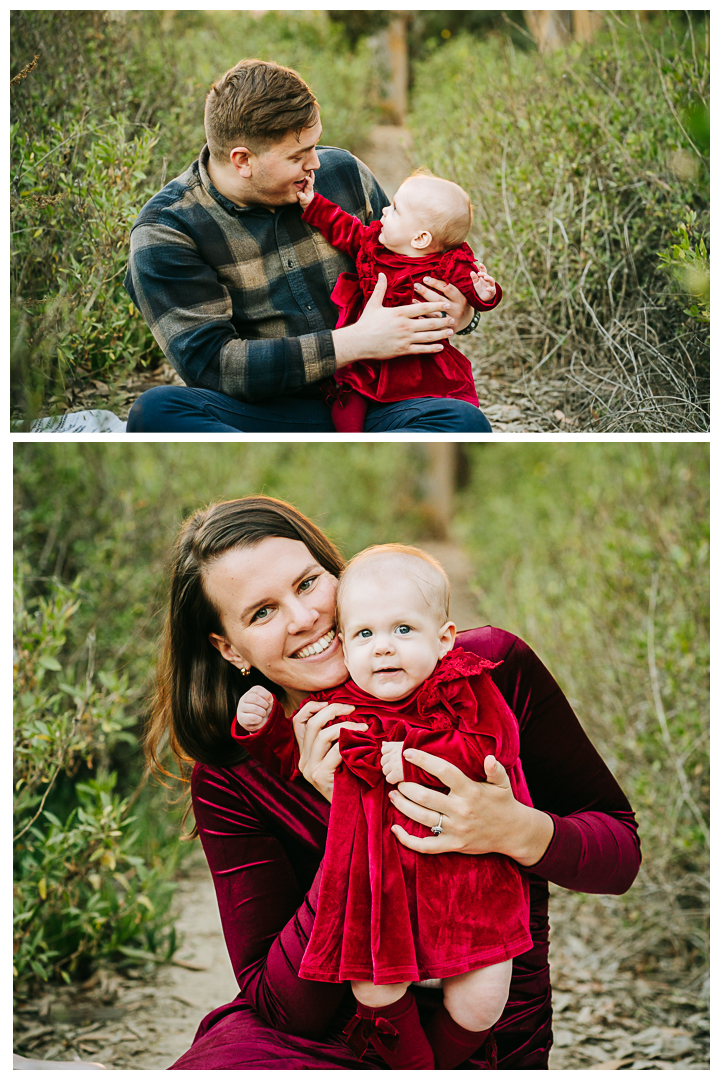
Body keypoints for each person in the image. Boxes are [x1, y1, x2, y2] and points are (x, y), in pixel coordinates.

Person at [146, 494, 641, 1071]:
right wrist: (351, 820)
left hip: (479, 1024)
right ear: (230, 649)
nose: (304, 618)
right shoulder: (235, 773)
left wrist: (516, 830)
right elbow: (285, 1008)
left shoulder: (488, 674)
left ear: (338, 573)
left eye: (308, 584)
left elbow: (621, 855)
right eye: (262, 613)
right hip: (321, 1036)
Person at [233, 545, 534, 1069]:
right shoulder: (337, 704)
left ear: (442, 639)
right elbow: (295, 759)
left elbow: (494, 746)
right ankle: (411, 1064)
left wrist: (415, 759)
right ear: (345, 647)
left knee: (482, 1001)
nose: (384, 650)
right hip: (379, 889)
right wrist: (265, 730)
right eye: (366, 635)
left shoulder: (465, 686)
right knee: (373, 989)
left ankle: (445, 1059)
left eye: (403, 631)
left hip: (468, 886)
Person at [124, 59, 492, 433]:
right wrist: (356, 342)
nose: (316, 163)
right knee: (156, 412)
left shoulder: (343, 173)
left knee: (464, 421)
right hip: (265, 413)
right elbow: (215, 366)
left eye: (313, 146)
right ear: (243, 160)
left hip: (374, 398)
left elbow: (419, 261)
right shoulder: (166, 231)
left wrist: (460, 311)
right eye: (297, 156)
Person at [297, 174, 501, 431]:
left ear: (420, 239)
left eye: (394, 209)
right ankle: (351, 439)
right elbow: (345, 228)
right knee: (348, 402)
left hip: (418, 358)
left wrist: (486, 294)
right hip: (368, 356)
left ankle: (417, 419)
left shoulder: (447, 264)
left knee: (452, 406)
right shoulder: (372, 246)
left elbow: (472, 291)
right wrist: (313, 205)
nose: (383, 210)